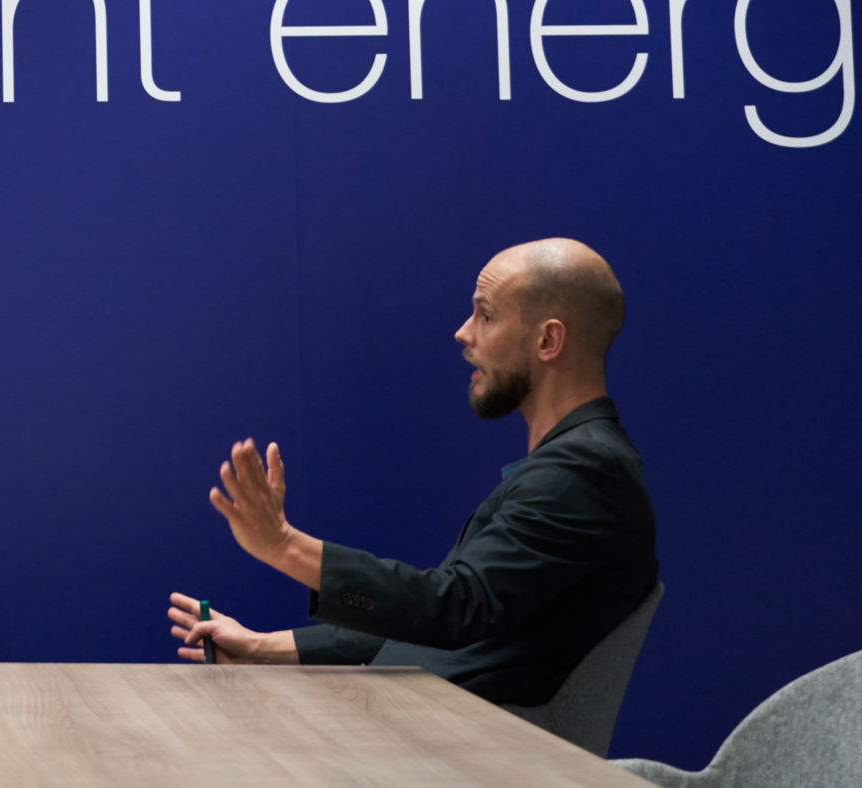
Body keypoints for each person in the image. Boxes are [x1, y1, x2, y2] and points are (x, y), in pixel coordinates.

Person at [166, 238, 658, 708]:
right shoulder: (571, 464)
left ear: (548, 339)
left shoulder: (587, 470)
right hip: (408, 718)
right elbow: (426, 622)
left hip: (447, 740)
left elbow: (454, 607)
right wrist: (262, 648)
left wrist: (284, 545)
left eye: (486, 315)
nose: (463, 333)